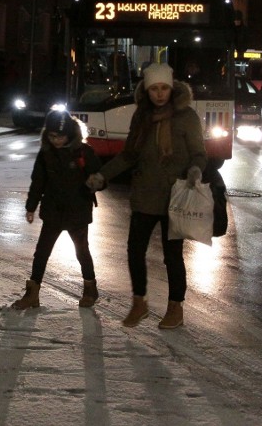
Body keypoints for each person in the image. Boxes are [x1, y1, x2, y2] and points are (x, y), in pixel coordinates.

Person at [86, 62, 207, 329]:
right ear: (147, 90)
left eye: (164, 88)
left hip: (176, 196)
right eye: (154, 89)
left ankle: (175, 308)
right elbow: (129, 154)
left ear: (172, 87)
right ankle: (139, 303)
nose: (160, 94)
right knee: (134, 250)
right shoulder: (141, 116)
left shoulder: (186, 116)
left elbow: (199, 152)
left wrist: (196, 169)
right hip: (145, 194)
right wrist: (103, 175)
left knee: (172, 255)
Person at [12, 110, 104, 310]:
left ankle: (90, 288)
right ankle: (32, 293)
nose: (56, 140)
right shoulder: (46, 154)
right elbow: (38, 181)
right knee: (42, 253)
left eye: (60, 136)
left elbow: (99, 175)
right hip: (53, 210)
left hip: (77, 211)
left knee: (82, 252)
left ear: (70, 134)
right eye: (52, 136)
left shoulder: (83, 152)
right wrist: (31, 206)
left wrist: (96, 181)